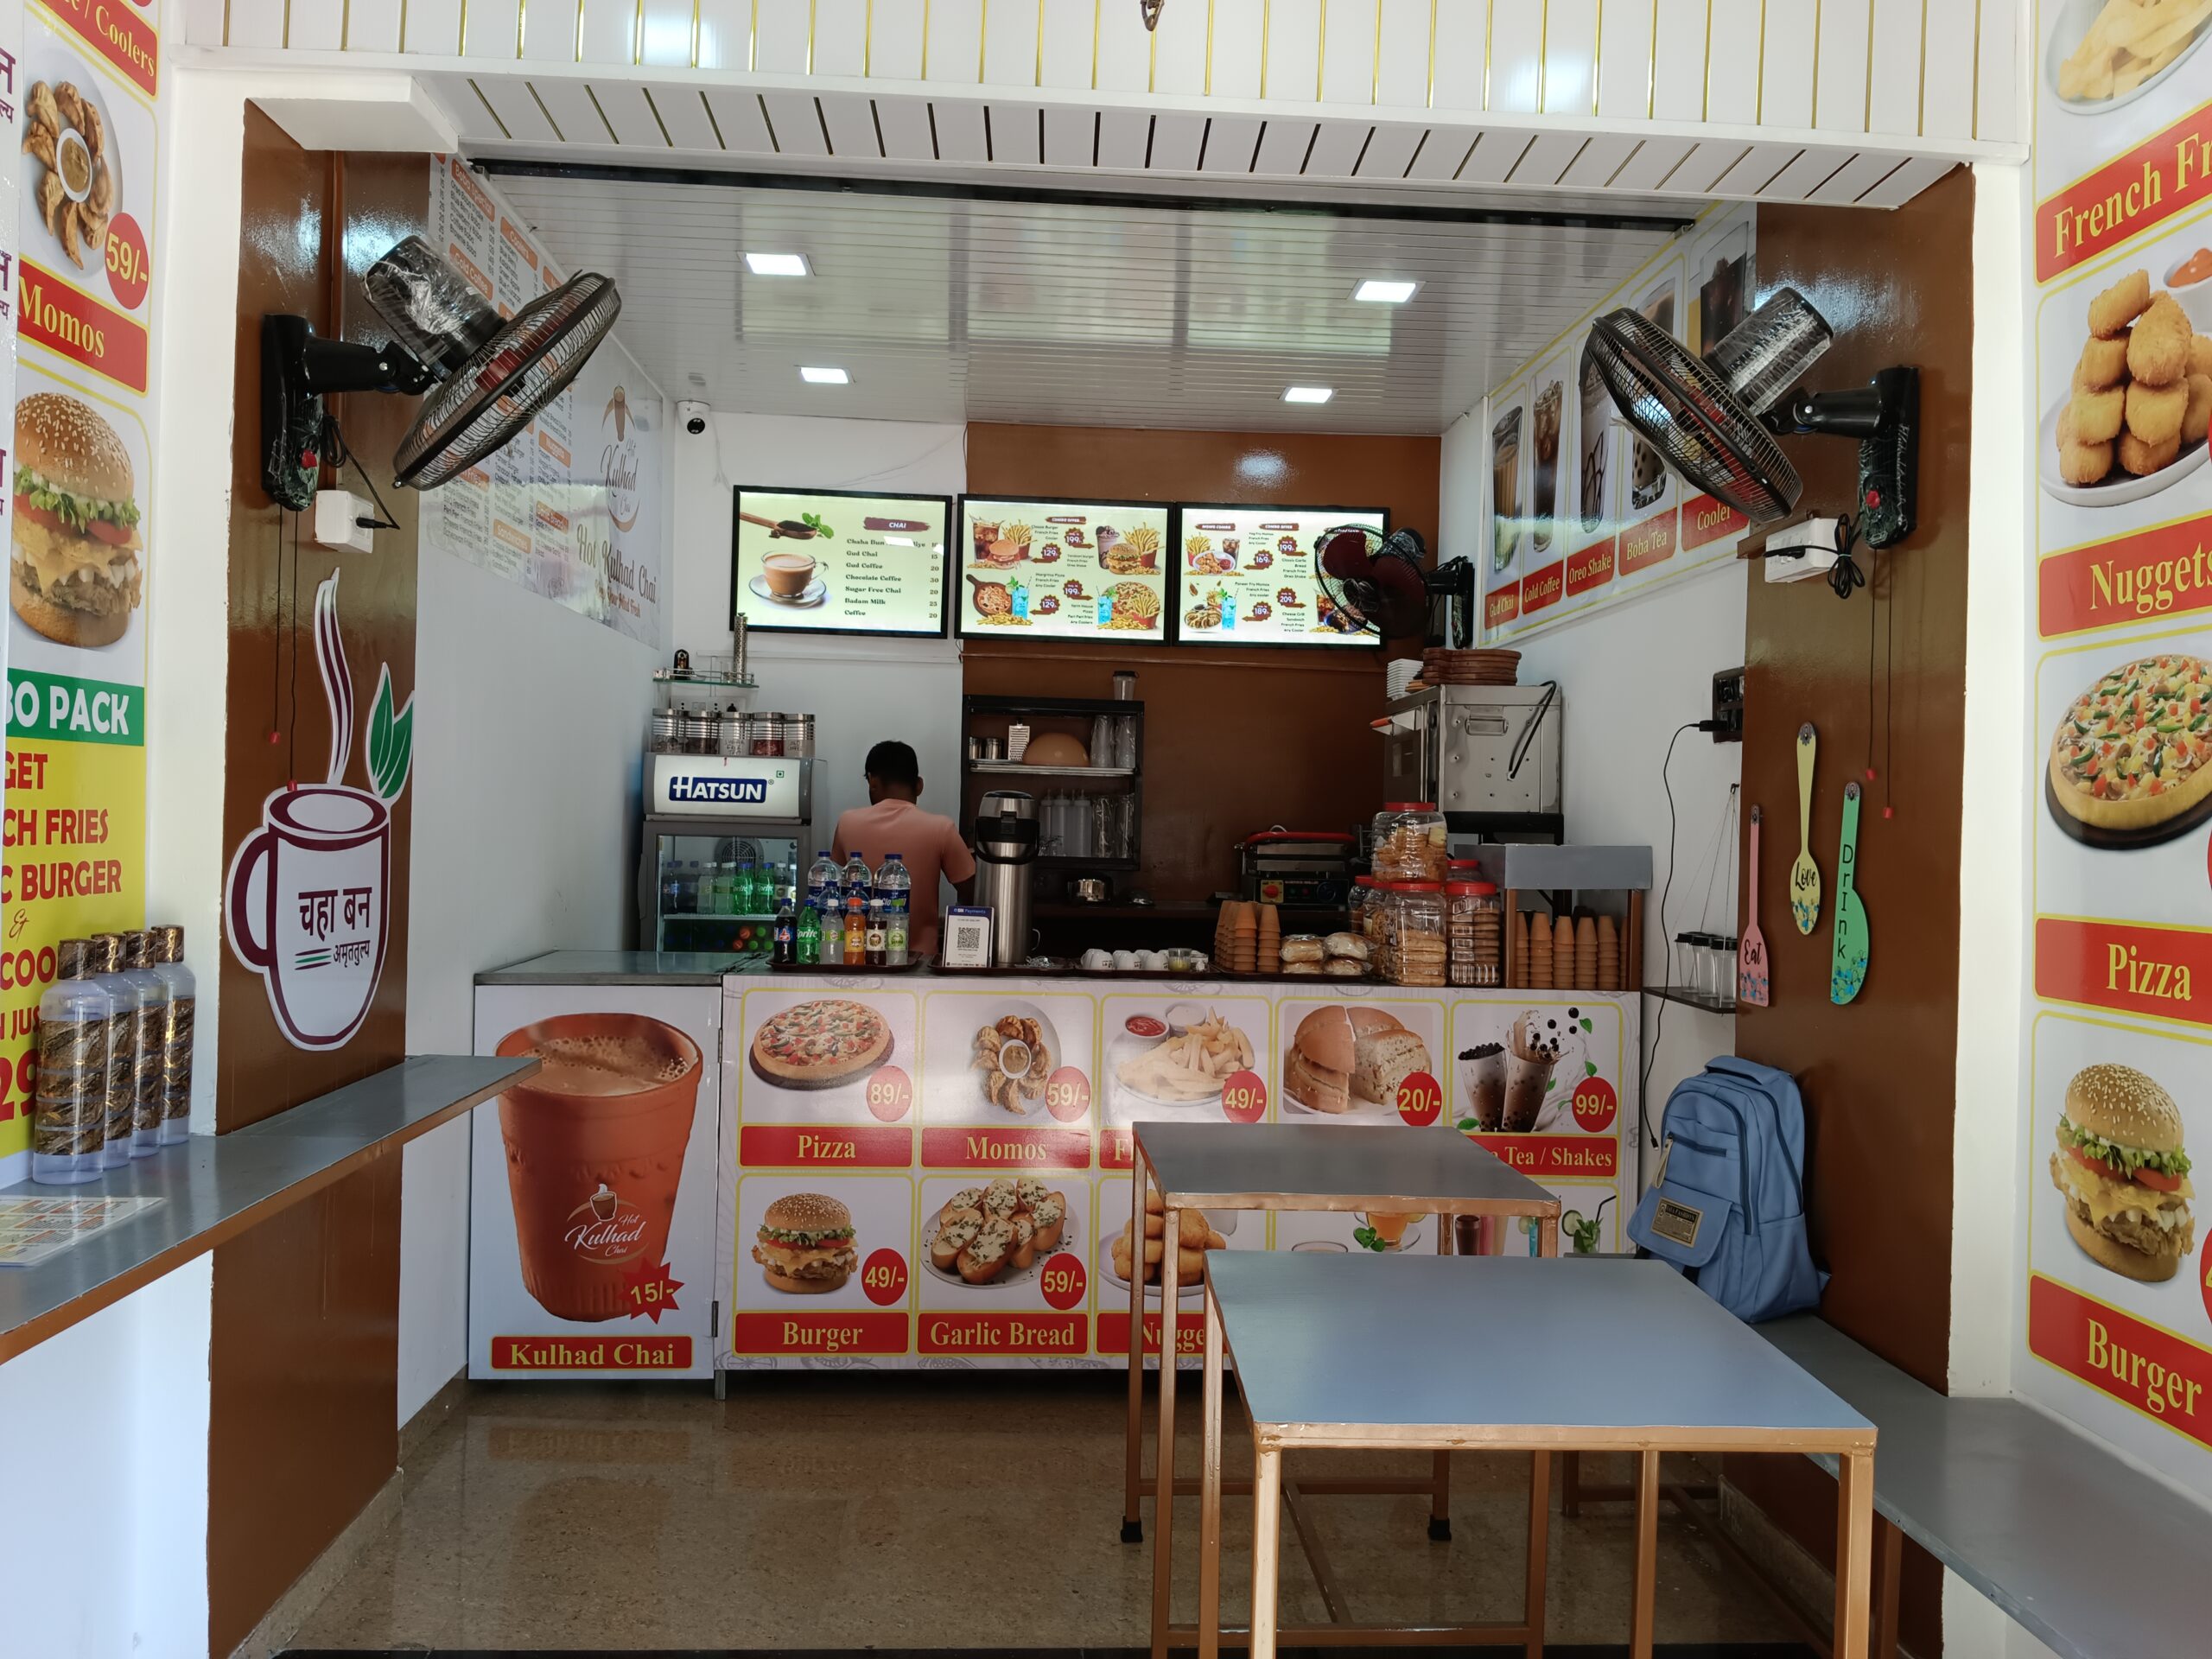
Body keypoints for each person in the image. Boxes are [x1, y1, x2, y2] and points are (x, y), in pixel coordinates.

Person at [830, 741, 975, 960]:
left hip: (858, 956)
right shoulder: (940, 828)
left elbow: (834, 888)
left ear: (873, 781)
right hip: (919, 963)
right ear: (919, 785)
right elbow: (972, 890)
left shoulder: (847, 823)